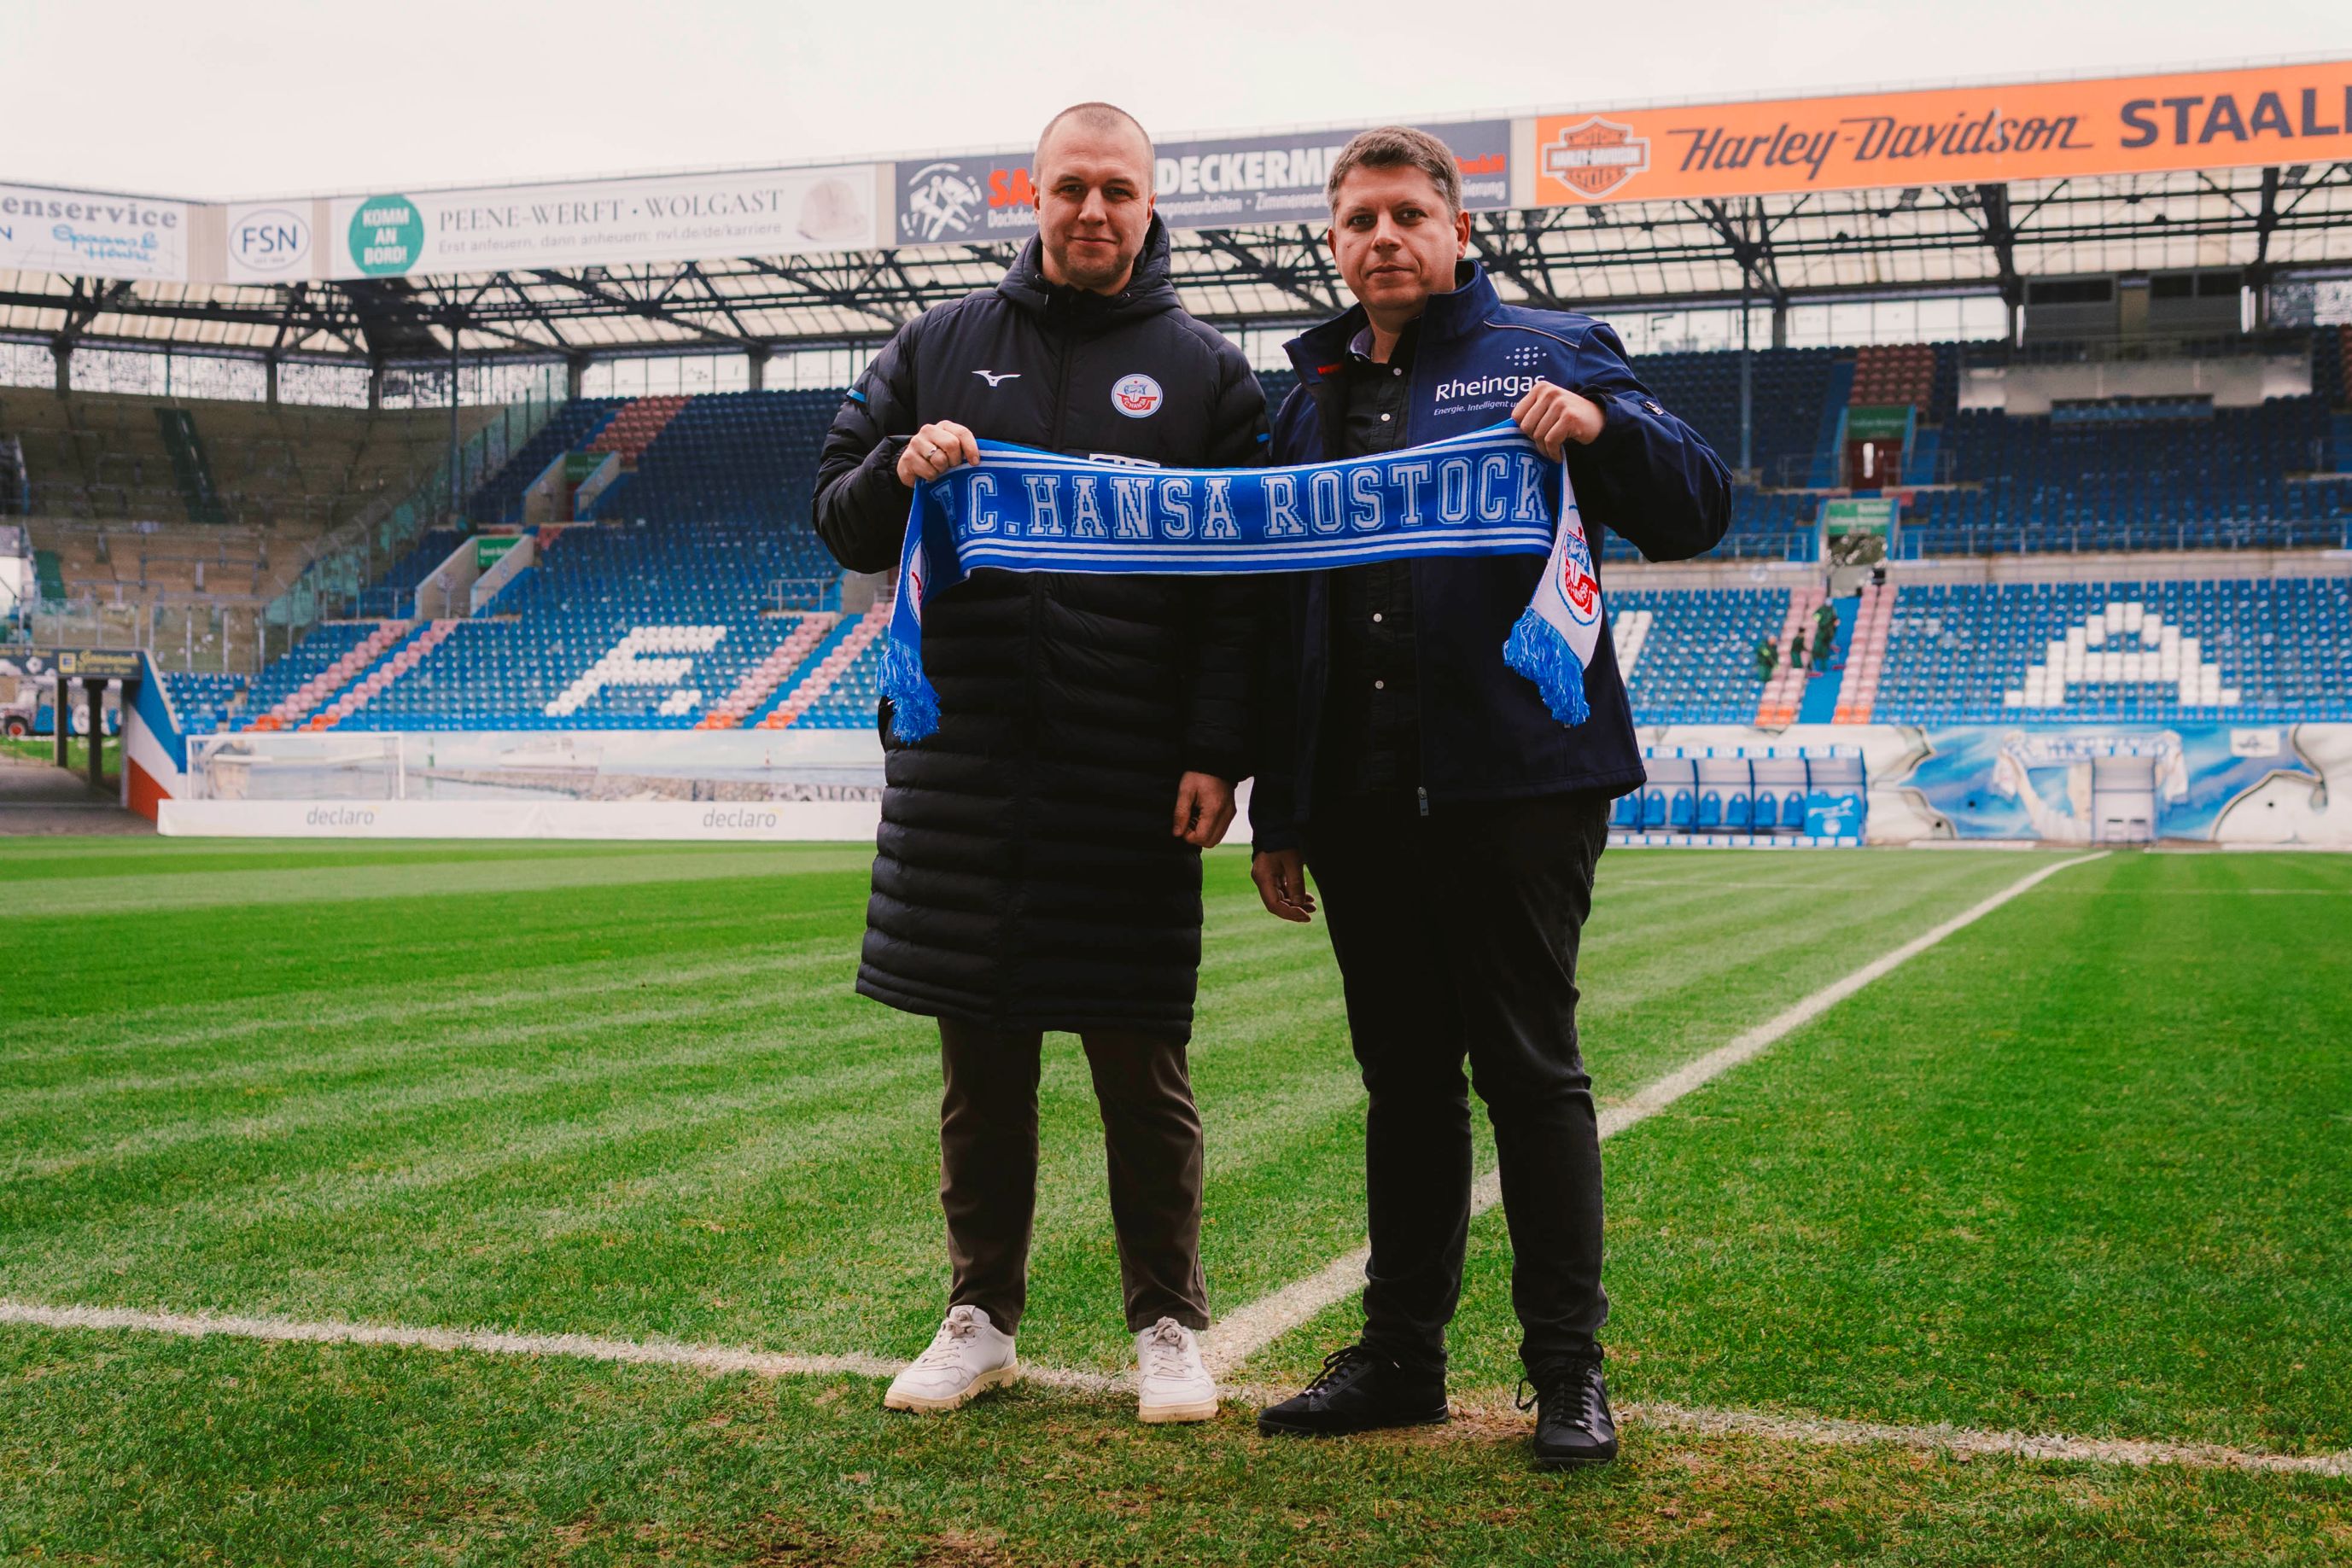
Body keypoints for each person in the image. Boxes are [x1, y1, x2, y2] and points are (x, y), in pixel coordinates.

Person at [1246, 126, 1730, 1468]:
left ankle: (1567, 1373)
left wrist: (1603, 426)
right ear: (1331, 245)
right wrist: (1280, 806)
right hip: (1355, 793)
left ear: (1460, 230)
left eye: (1407, 213)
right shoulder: (1304, 399)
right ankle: (1401, 1356)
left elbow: (1697, 505)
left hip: (1520, 781)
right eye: (1357, 221)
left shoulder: (1551, 349)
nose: (1382, 238)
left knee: (1530, 1071)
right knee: (1403, 1080)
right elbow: (1290, 615)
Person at [810, 102, 1268, 1425]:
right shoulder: (937, 344)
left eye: (1116, 190)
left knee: (1142, 1067)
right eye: (1071, 186)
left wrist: (1215, 750)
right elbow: (839, 517)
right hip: (969, 774)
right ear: (1033, 193)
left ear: (1149, 202)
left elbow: (1237, 593)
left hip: (1129, 775)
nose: (1092, 211)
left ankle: (1169, 1323)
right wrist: (903, 466)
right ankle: (980, 1315)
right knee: (983, 1069)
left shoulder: (1207, 372)